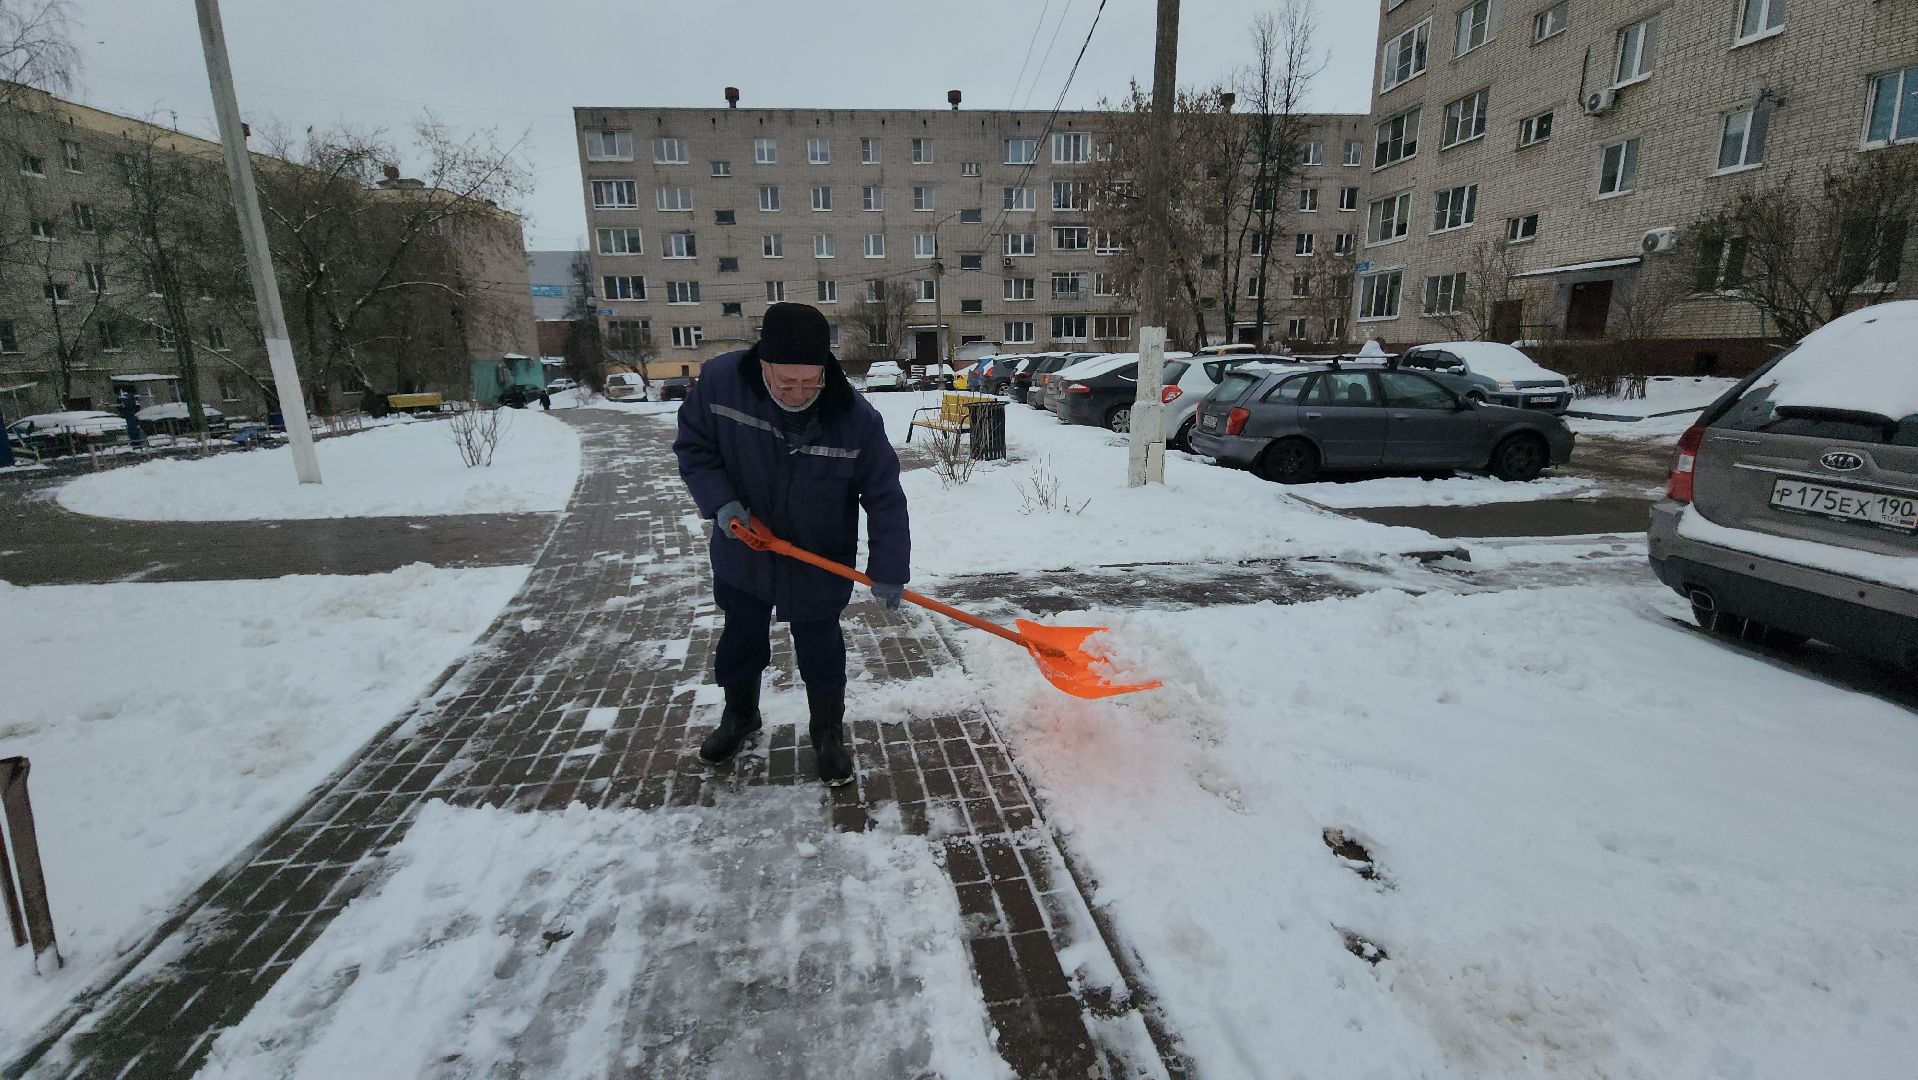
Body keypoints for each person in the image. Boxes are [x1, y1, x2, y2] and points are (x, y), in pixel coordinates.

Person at [674, 303, 910, 785]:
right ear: (763, 363)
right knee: (741, 639)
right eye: (786, 382)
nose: (799, 393)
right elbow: (695, 448)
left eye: (810, 382)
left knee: (821, 651)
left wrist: (889, 568)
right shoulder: (721, 384)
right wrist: (721, 502)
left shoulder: (854, 418)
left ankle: (827, 733)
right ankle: (740, 715)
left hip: (817, 558)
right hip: (745, 548)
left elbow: (884, 496)